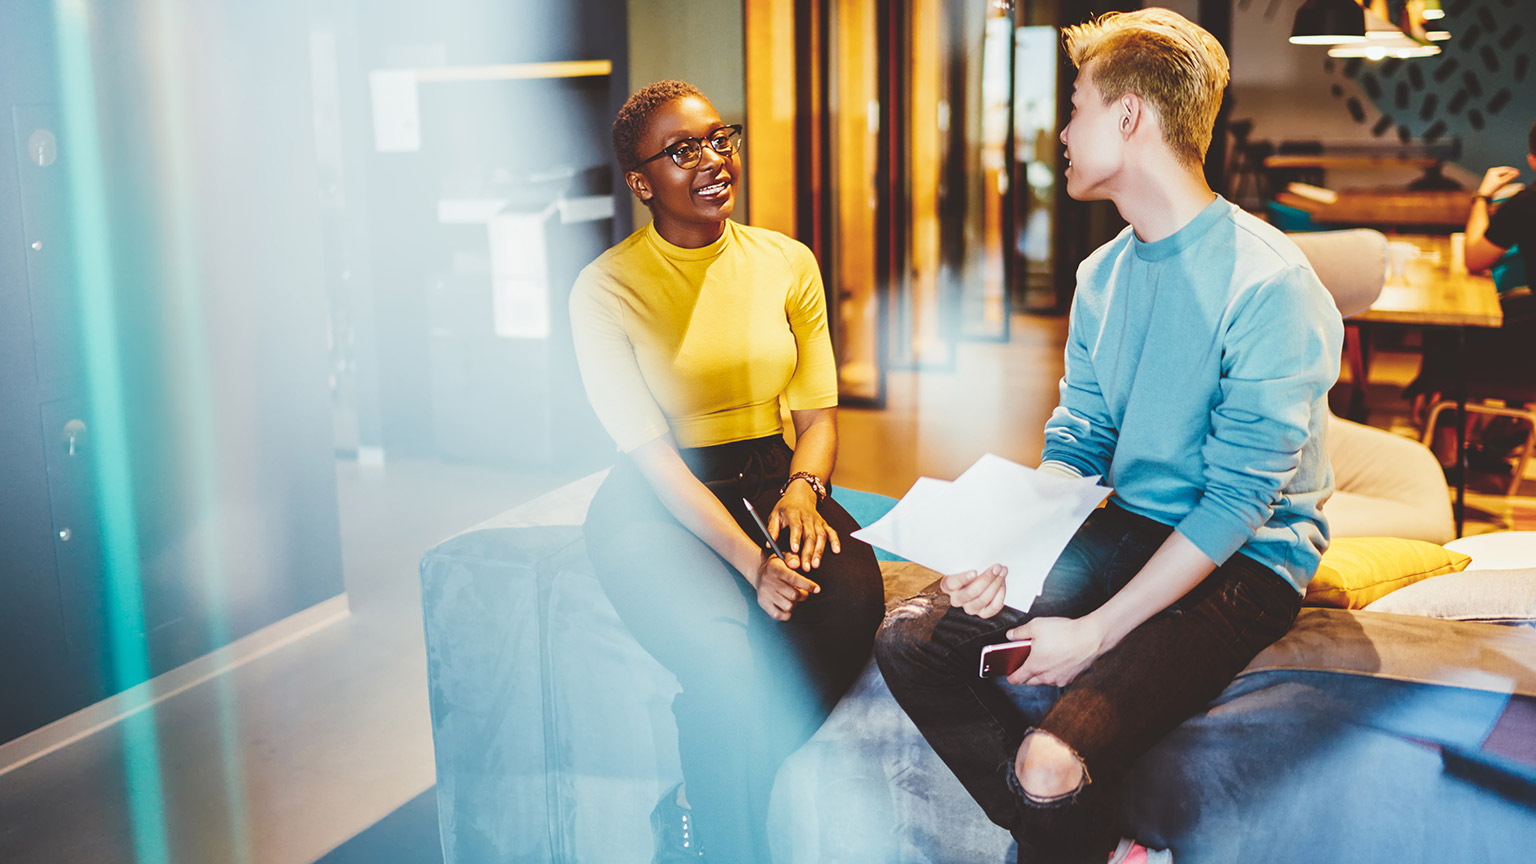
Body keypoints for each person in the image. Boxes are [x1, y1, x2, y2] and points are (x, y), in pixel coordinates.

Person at [875, 10, 1343, 864]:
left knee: (1050, 760)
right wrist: (1018, 547)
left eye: (1079, 104)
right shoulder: (1101, 275)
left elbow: (1239, 500)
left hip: (1242, 556)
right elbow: (1082, 438)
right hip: (1128, 522)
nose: (1062, 129)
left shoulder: (1271, 283)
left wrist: (1094, 633)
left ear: (1129, 115)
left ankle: (1059, 816)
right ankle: (1099, 847)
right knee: (911, 637)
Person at [569, 80, 884, 864]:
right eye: (683, 150)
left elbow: (815, 419)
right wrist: (754, 565)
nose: (713, 159)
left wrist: (806, 493)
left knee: (851, 605)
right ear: (642, 182)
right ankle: (726, 845)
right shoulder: (604, 288)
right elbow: (650, 456)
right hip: (656, 495)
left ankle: (700, 791)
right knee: (723, 659)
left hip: (775, 478)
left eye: (720, 138)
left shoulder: (787, 261)